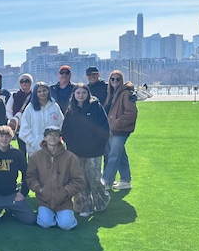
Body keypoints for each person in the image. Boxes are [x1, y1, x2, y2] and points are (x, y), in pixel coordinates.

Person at [62, 83, 110, 215]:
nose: (81, 95)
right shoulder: (71, 109)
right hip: (76, 152)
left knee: (94, 179)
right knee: (80, 180)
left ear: (88, 94)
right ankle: (84, 206)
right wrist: (71, 143)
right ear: (74, 95)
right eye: (78, 93)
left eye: (83, 93)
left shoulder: (95, 107)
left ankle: (101, 200)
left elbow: (104, 128)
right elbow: (65, 130)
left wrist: (98, 144)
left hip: (94, 152)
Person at [26, 126, 85, 230]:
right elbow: (30, 177)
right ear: (44, 138)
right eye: (50, 135)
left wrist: (66, 191)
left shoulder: (70, 157)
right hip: (44, 200)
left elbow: (78, 180)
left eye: (56, 135)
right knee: (45, 223)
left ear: (60, 139)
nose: (52, 138)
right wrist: (40, 189)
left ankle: (64, 217)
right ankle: (51, 216)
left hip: (64, 200)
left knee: (66, 225)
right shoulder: (35, 157)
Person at [0, 126, 35, 226]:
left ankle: (10, 209)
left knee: (30, 220)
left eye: (7, 136)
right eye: (1, 136)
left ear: (11, 138)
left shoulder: (17, 154)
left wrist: (23, 193)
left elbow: (26, 173)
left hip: (12, 195)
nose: (4, 139)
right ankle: (2, 209)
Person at [102, 70, 138, 192]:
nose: (114, 81)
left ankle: (106, 181)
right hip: (112, 130)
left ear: (121, 80)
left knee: (113, 155)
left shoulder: (126, 93)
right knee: (120, 154)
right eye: (112, 79)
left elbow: (131, 113)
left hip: (120, 130)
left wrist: (115, 122)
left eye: (117, 79)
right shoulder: (111, 94)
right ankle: (125, 180)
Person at [18, 82, 63, 157]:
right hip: (35, 150)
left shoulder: (55, 106)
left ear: (48, 91)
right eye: (39, 91)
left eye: (44, 90)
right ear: (35, 93)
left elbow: (61, 124)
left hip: (54, 149)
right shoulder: (30, 108)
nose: (42, 93)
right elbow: (24, 130)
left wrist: (55, 140)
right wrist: (35, 143)